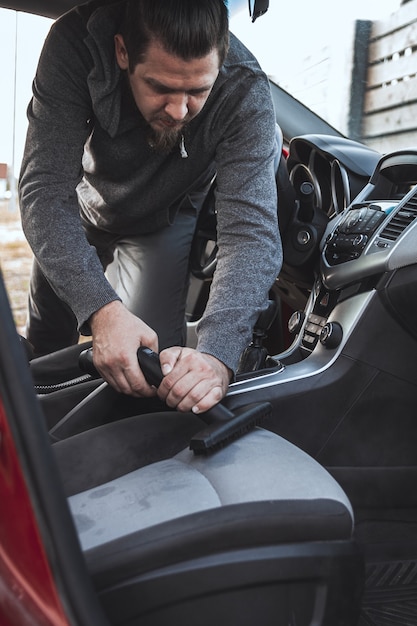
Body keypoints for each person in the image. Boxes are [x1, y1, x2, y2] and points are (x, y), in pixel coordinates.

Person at [19, 0, 282, 414]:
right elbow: (43, 190)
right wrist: (101, 311)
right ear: (122, 52)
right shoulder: (76, 44)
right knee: (42, 358)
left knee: (148, 377)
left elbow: (250, 235)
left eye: (197, 91)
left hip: (164, 218)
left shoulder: (244, 90)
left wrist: (217, 357)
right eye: (160, 87)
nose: (180, 111)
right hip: (79, 212)